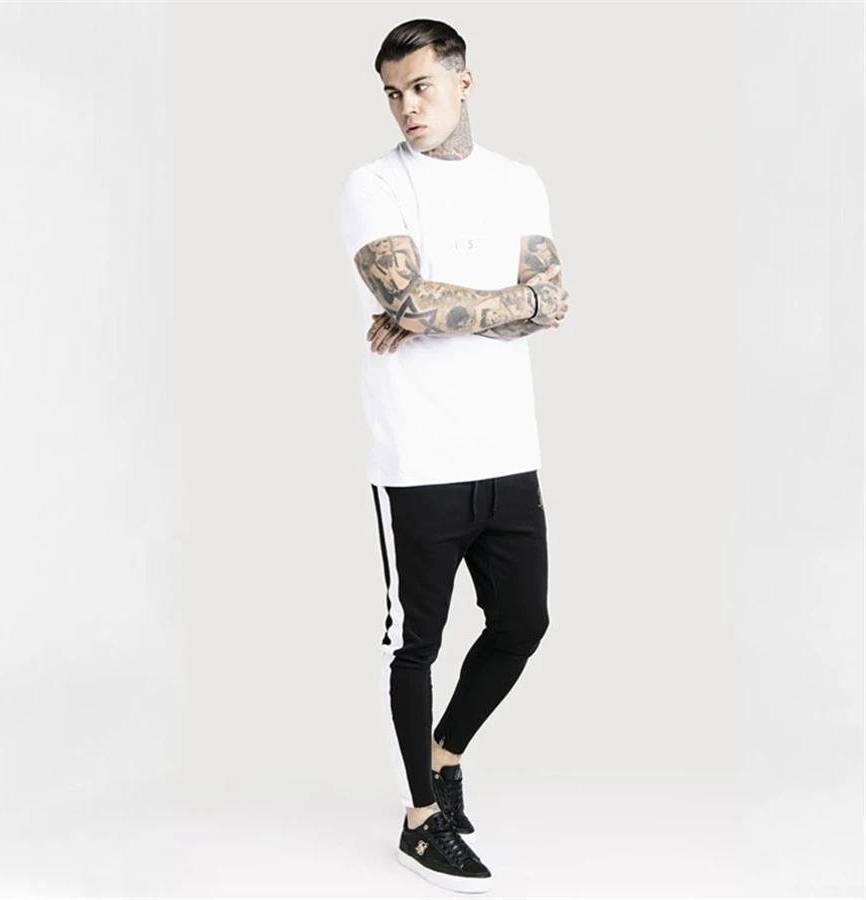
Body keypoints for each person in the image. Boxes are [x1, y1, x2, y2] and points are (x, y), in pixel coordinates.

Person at [337, 18, 569, 893]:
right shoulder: (373, 184)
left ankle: (447, 753)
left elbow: (554, 302)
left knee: (522, 623)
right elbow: (405, 294)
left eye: (421, 87)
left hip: (508, 449)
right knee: (416, 645)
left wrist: (437, 309)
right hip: (418, 456)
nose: (407, 107)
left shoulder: (519, 181)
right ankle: (420, 821)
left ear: (463, 82)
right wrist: (489, 303)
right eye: (392, 93)